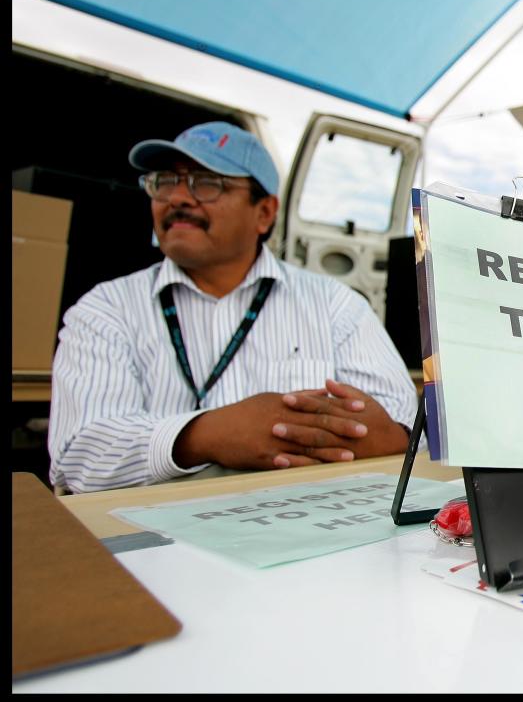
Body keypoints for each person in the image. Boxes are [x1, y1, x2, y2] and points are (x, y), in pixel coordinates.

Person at [48, 122, 419, 494]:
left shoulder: (336, 306)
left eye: (207, 182)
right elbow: (77, 457)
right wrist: (203, 435)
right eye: (164, 181)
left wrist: (378, 435)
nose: (177, 197)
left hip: (310, 524)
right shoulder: (104, 309)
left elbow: (402, 432)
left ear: (265, 212)